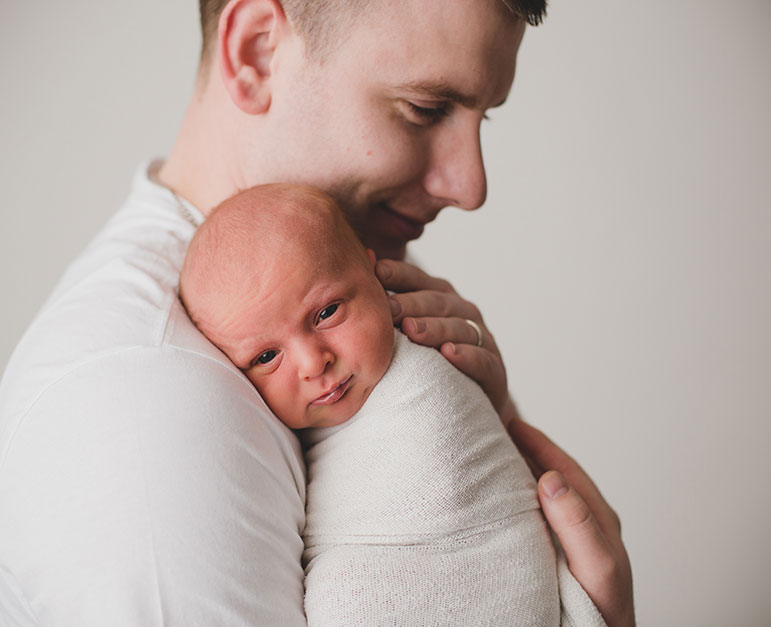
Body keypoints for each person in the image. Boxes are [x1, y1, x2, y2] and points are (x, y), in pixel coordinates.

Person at [0, 0, 634, 625]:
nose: (472, 186)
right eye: (425, 108)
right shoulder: (148, 404)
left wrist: (484, 431)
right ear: (257, 54)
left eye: (481, 117)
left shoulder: (378, 341)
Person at [179, 183, 607, 626]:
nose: (313, 363)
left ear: (373, 275)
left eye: (327, 312)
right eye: (266, 357)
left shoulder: (427, 375)